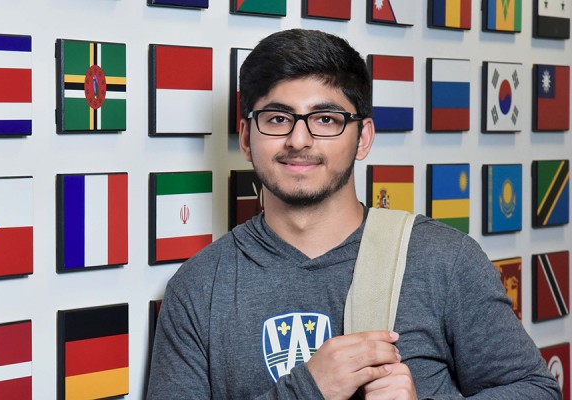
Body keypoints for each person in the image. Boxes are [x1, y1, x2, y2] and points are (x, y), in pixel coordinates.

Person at [147, 29, 561, 399]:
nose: (299, 139)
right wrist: (308, 390)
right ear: (246, 138)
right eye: (277, 118)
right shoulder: (199, 288)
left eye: (326, 119)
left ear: (363, 137)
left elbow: (537, 390)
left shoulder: (444, 261)